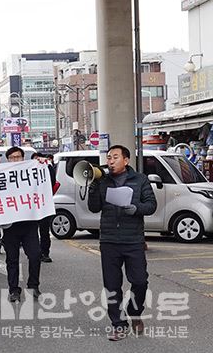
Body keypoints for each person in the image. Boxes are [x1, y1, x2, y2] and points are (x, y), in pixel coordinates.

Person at [88, 145, 157, 341]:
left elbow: (151, 205)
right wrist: (93, 187)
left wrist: (135, 208)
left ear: (126, 160)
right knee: (112, 285)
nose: (110, 161)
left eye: (115, 157)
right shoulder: (102, 180)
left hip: (133, 240)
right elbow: (94, 208)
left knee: (140, 281)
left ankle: (134, 312)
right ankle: (118, 324)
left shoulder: (140, 179)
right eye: (109, 157)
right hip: (109, 240)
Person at [3, 147, 42, 302]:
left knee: (35, 256)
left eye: (18, 157)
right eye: (12, 157)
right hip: (10, 226)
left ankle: (34, 285)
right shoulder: (1, 175)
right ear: (7, 159)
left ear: (23, 158)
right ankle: (14, 290)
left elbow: (48, 183)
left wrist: (44, 165)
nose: (15, 160)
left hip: (29, 223)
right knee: (11, 259)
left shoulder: (31, 173)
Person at [31, 152, 56, 263]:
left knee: (44, 231)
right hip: (30, 206)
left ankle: (45, 253)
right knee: (32, 231)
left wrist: (47, 165)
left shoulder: (47, 169)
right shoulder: (26, 172)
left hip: (44, 205)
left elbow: (53, 181)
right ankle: (35, 251)